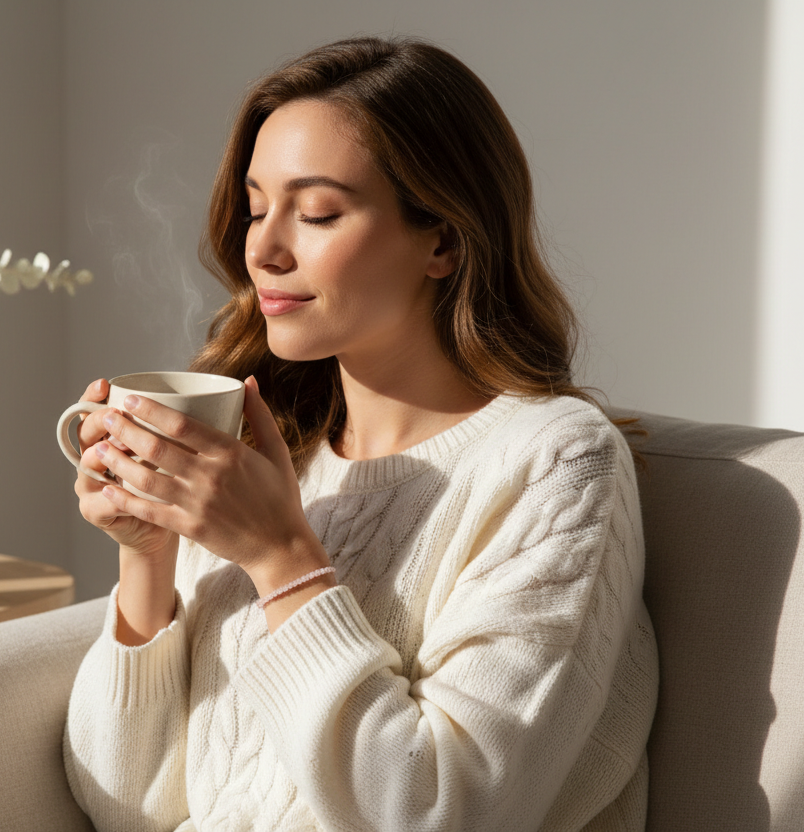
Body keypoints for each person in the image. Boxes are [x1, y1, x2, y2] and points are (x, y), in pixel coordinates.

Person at [63, 36, 658, 832]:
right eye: (255, 208)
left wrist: (281, 558)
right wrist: (148, 553)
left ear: (442, 240)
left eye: (316, 213)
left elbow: (438, 811)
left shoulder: (557, 464)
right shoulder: (268, 456)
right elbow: (124, 808)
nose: (264, 250)